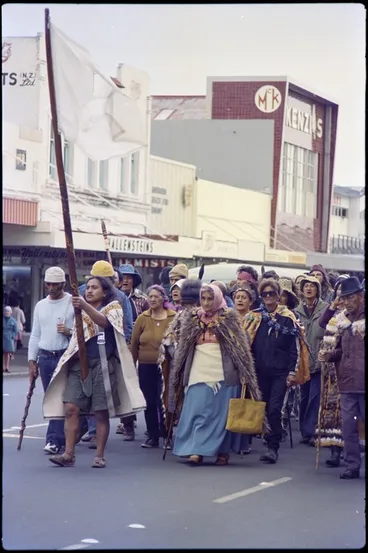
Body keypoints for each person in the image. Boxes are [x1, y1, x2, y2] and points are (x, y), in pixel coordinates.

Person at [43, 276, 146, 468]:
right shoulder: (78, 311)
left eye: (94, 288)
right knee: (71, 408)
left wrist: (83, 306)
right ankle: (68, 454)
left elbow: (104, 322)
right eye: (87, 287)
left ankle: (99, 455)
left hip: (103, 364)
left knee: (100, 412)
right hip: (79, 365)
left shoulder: (113, 306)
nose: (89, 291)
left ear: (104, 292)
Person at [172, 284, 262, 466]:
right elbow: (184, 346)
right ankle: (196, 449)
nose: (206, 303)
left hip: (224, 372)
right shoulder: (192, 317)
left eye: (210, 299)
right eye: (203, 299)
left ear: (218, 299)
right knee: (197, 411)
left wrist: (244, 372)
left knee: (221, 414)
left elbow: (240, 348)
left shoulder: (229, 318)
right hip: (198, 369)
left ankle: (222, 452)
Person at [244, 278, 309, 464]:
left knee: (275, 409)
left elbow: (294, 348)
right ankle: (263, 439)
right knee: (261, 407)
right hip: (260, 371)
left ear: (278, 295)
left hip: (280, 373)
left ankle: (273, 447)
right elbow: (247, 343)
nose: (268, 297)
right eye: (264, 294)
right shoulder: (255, 317)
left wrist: (292, 371)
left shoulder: (287, 318)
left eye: (272, 293)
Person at [79, 261, 133, 448]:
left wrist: (124, 344)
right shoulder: (81, 293)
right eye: (90, 285)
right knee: (84, 395)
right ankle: (88, 430)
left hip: (108, 350)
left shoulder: (118, 298)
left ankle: (120, 427)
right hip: (86, 349)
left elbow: (125, 323)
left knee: (106, 396)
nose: (90, 290)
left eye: (98, 285)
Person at [318, 277, 365, 479]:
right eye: (344, 298)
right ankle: (353, 466)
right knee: (348, 427)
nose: (347, 301)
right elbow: (340, 350)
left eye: (350, 297)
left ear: (361, 297)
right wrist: (329, 356)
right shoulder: (342, 321)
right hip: (347, 383)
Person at [28, 267, 74, 454]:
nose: (52, 287)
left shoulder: (73, 302)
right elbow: (35, 334)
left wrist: (68, 331)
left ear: (63, 284)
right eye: (49, 284)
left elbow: (83, 332)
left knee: (64, 399)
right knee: (52, 398)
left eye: (56, 284)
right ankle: (59, 437)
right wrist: (32, 360)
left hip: (65, 355)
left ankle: (55, 439)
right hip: (46, 357)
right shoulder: (40, 305)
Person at [130, 285, 176, 448]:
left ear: (163, 298)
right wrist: (131, 367)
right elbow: (134, 343)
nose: (153, 299)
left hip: (167, 365)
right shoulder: (143, 318)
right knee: (149, 401)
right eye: (150, 296)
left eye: (156, 296)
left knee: (165, 400)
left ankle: (168, 435)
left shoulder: (173, 317)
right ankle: (153, 435)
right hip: (145, 365)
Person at [159, 279, 202, 449]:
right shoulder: (179, 317)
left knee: (195, 405)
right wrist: (178, 353)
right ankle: (171, 434)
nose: (191, 307)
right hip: (178, 367)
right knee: (174, 402)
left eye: (193, 303)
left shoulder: (205, 318)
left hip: (199, 367)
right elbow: (167, 341)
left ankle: (193, 439)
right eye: (188, 303)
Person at [315, 277, 349, 468]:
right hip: (329, 370)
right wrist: (332, 306)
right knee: (330, 408)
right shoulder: (334, 312)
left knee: (347, 410)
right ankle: (334, 449)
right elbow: (322, 322)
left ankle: (347, 447)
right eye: (338, 294)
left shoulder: (355, 316)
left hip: (347, 368)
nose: (341, 298)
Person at [117, 263, 149, 440]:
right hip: (116, 344)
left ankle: (133, 423)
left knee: (134, 385)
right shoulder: (112, 298)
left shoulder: (142, 300)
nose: (126, 280)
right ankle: (125, 423)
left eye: (129, 277)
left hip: (137, 348)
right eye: (123, 277)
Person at [295, 275, 328, 446]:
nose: (308, 289)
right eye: (306, 286)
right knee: (304, 397)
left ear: (318, 289)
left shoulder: (325, 309)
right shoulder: (297, 311)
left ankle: (311, 431)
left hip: (318, 360)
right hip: (302, 362)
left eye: (312, 286)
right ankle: (305, 431)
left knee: (315, 397)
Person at [3, 306, 18, 373]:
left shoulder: (13, 320)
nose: (7, 312)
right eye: (5, 311)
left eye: (8, 311)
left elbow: (15, 330)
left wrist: (13, 336)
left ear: (10, 312)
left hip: (9, 339)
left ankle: (7, 367)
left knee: (7, 353)